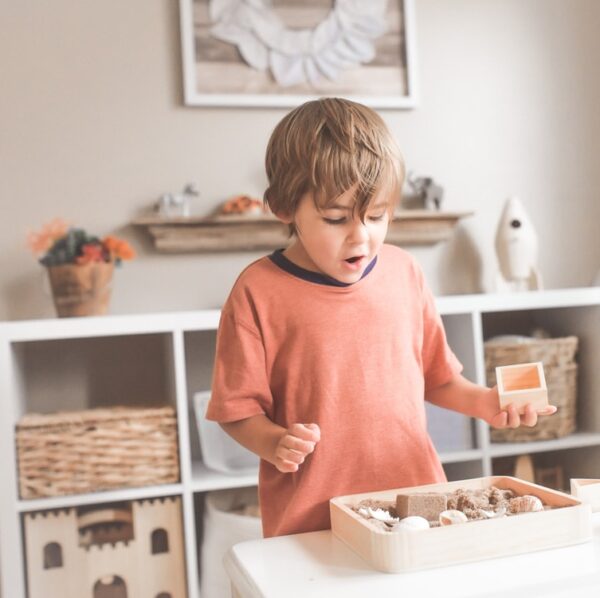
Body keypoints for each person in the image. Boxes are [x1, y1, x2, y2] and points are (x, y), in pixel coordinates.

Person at [205, 98, 556, 538]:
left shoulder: (405, 272)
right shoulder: (257, 291)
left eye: (377, 216)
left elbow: (437, 378)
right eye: (335, 218)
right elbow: (235, 409)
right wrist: (274, 443)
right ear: (283, 207)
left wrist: (486, 403)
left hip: (418, 506)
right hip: (313, 521)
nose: (361, 236)